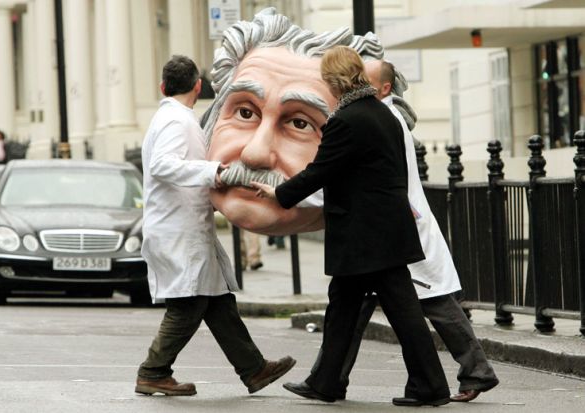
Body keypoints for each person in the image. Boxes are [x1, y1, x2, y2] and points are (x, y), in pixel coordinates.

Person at [251, 46, 450, 406]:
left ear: (333, 79)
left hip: (364, 236)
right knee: (346, 308)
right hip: (385, 230)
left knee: (399, 314)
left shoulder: (347, 119)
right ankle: (327, 382)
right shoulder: (383, 114)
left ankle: (429, 386)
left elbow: (321, 171)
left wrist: (278, 193)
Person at [305, 59, 500, 403]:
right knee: (353, 306)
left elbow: (389, 175)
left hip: (397, 224)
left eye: (365, 78)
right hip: (391, 223)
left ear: (383, 87)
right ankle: (328, 378)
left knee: (432, 301)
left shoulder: (382, 117)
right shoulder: (380, 116)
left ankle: (475, 372)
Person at [136, 55, 295, 397]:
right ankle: (153, 371)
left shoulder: (174, 117)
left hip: (185, 225)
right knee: (189, 303)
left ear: (163, 86)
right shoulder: (176, 121)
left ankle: (254, 369)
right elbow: (164, 165)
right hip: (178, 228)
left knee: (219, 300)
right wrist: (214, 173)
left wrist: (220, 183)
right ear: (198, 85)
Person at [202, 7, 387, 236]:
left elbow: (320, 175)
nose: (254, 154)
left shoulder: (357, 121)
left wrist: (282, 194)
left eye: (300, 124)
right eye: (245, 113)